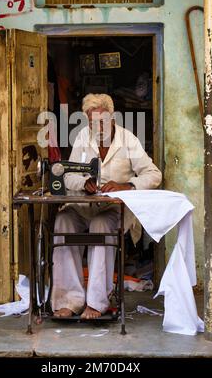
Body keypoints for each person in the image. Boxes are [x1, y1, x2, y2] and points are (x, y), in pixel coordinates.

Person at [51, 93, 162, 319]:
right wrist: (84, 183)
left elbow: (154, 175)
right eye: (92, 122)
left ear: (112, 118)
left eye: (102, 121)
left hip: (112, 210)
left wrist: (127, 185)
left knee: (101, 225)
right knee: (63, 221)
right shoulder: (83, 137)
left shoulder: (128, 140)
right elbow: (69, 175)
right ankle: (69, 301)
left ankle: (96, 302)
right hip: (84, 206)